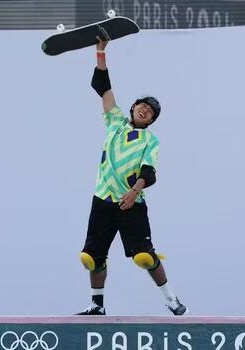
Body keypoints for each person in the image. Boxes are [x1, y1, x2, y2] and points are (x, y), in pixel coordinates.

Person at [76, 37, 187, 316]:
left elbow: (149, 173)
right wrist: (100, 50)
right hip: (103, 198)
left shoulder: (151, 141)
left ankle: (172, 299)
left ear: (150, 121)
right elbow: (103, 88)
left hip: (131, 204)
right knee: (90, 258)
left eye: (150, 112)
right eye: (143, 105)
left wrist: (134, 192)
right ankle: (96, 305)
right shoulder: (114, 121)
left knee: (143, 257)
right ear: (134, 107)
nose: (145, 110)